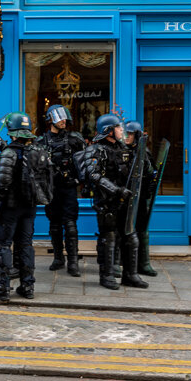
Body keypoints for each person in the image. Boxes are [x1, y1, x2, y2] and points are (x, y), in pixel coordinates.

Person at [86, 114, 149, 290]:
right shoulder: (96, 150)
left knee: (131, 237)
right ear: (108, 131)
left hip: (125, 201)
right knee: (109, 239)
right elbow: (94, 175)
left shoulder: (122, 148)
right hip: (107, 202)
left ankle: (130, 275)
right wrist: (117, 190)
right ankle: (106, 276)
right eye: (119, 128)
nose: (122, 130)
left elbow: (134, 171)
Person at [0, 111, 44, 302]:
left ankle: (2, 287)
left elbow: (2, 183)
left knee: (3, 245)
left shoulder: (9, 153)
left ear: (11, 132)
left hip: (10, 207)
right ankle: (28, 286)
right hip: (30, 207)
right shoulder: (36, 151)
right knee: (26, 245)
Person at [37, 104, 84, 277]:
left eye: (64, 117)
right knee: (54, 224)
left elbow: (84, 162)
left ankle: (73, 262)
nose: (63, 120)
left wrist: (83, 182)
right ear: (50, 119)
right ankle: (58, 258)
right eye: (59, 117)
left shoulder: (74, 139)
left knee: (70, 224)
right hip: (51, 189)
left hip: (69, 188)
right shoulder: (40, 142)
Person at [124, 120, 158, 277]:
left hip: (140, 196)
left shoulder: (144, 152)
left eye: (130, 134)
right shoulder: (121, 150)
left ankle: (143, 263)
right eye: (125, 133)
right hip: (124, 196)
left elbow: (152, 174)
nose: (126, 137)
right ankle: (122, 263)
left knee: (142, 228)